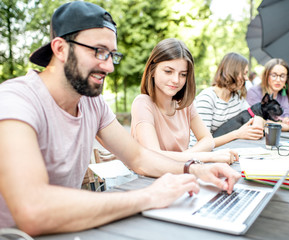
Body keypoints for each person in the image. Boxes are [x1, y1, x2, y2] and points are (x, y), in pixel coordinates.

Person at [0, 2, 241, 236]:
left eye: (112, 55)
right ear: (60, 48)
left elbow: (139, 157)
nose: (109, 66)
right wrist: (149, 196)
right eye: (99, 52)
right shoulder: (16, 100)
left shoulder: (91, 102)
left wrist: (195, 170)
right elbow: (32, 210)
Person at [131, 39, 238, 164]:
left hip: (182, 173)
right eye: (168, 71)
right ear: (152, 70)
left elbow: (207, 139)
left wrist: (185, 157)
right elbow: (153, 156)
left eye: (183, 74)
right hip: (149, 180)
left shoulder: (185, 104)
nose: (176, 80)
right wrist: (206, 157)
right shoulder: (143, 103)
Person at [189, 53, 263, 148]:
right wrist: (236, 134)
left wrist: (257, 121)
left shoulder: (236, 97)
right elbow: (199, 144)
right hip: (204, 155)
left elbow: (253, 114)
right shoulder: (207, 98)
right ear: (231, 72)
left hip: (229, 150)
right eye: (244, 73)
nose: (246, 78)